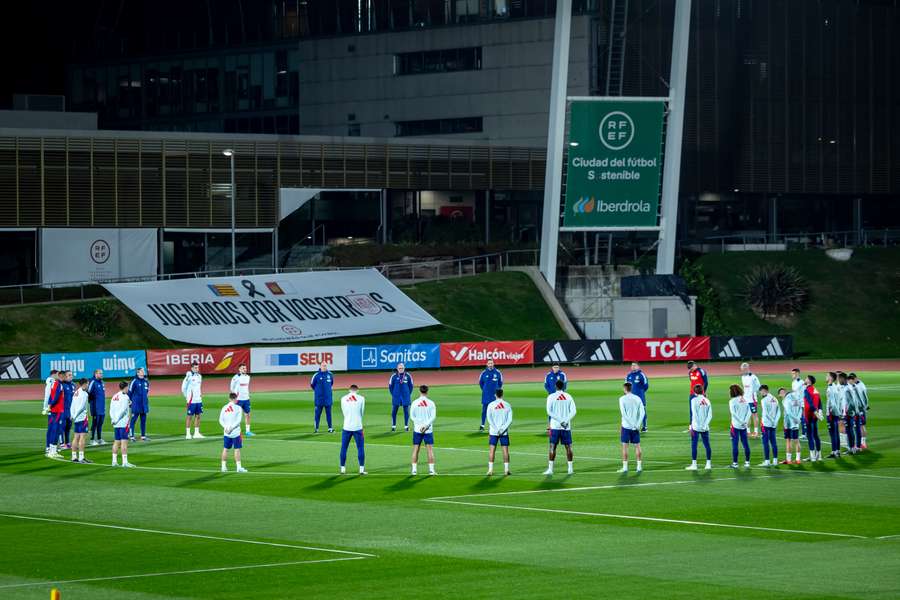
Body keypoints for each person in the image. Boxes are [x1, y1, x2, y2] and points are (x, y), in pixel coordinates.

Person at [544, 379, 576, 476]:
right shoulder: (568, 396)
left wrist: (560, 420)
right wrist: (565, 421)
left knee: (552, 446)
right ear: (564, 386)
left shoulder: (551, 397)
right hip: (566, 426)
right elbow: (574, 411)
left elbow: (549, 412)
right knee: (568, 447)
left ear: (555, 386)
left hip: (555, 426)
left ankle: (550, 469)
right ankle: (570, 469)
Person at [618, 382, 645, 474]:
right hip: (636, 427)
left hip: (626, 426)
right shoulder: (637, 398)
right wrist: (637, 424)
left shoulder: (622, 399)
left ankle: (625, 468)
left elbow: (623, 414)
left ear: (625, 389)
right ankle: (639, 467)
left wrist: (631, 424)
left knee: (625, 447)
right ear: (631, 388)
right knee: (637, 446)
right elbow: (642, 413)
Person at [339, 385, 366, 475]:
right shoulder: (361, 398)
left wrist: (348, 419)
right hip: (358, 426)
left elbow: (343, 412)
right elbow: (362, 412)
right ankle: (361, 469)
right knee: (360, 448)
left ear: (349, 390)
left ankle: (342, 468)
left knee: (344, 447)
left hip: (346, 426)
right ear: (357, 390)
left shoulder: (343, 398)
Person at [410, 385, 436, 476]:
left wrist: (419, 425)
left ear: (420, 391)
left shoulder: (414, 402)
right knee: (429, 450)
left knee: (416, 449)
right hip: (428, 430)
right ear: (427, 392)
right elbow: (433, 417)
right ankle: (431, 470)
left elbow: (412, 416)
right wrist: (425, 426)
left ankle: (414, 470)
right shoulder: (431, 403)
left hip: (417, 429)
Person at [486, 389, 512, 476]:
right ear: (502, 394)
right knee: (505, 451)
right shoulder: (507, 405)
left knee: (492, 450)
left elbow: (489, 419)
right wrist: (502, 429)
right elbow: (510, 420)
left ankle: (490, 470)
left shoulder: (491, 405)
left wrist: (496, 429)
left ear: (495, 395)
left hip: (493, 432)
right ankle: (506, 470)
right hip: (504, 432)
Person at [685, 384, 712, 471]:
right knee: (707, 445)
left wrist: (694, 425)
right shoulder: (707, 400)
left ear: (695, 392)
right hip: (705, 427)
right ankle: (708, 464)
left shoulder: (694, 400)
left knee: (694, 445)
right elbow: (710, 415)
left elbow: (694, 414)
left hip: (696, 427)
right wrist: (705, 424)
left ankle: (694, 465)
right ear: (702, 391)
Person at [219, 392, 247, 473]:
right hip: (235, 432)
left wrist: (226, 427)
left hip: (226, 432)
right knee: (237, 449)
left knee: (225, 449)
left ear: (229, 399)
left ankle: (223, 467)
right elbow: (238, 421)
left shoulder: (224, 407)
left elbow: (220, 420)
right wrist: (231, 428)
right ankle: (239, 468)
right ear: (235, 399)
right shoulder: (238, 408)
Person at [109, 381, 134, 468]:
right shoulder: (125, 397)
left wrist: (113, 419)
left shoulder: (114, 396)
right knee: (124, 442)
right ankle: (124, 462)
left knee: (116, 441)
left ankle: (114, 461)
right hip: (123, 423)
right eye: (128, 387)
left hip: (116, 423)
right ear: (126, 387)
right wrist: (117, 419)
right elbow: (123, 411)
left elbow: (111, 409)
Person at [728, 383, 751, 469]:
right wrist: (745, 421)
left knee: (735, 444)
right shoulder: (745, 400)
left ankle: (735, 463)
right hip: (744, 425)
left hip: (736, 425)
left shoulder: (732, 401)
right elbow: (749, 412)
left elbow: (733, 413)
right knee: (745, 444)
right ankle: (747, 462)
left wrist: (740, 421)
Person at [69, 378, 92, 463]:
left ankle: (74, 456)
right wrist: (75, 415)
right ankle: (81, 457)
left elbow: (72, 405)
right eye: (88, 384)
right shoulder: (84, 394)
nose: (88, 385)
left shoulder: (76, 392)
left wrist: (72, 415)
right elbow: (81, 407)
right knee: (82, 438)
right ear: (85, 384)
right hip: (82, 418)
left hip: (76, 419)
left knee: (76, 437)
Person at [758, 384, 781, 467]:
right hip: (773, 424)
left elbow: (766, 413)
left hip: (766, 424)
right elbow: (779, 411)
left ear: (765, 391)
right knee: (773, 442)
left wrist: (771, 421)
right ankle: (775, 460)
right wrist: (775, 421)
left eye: (761, 391)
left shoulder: (764, 400)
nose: (761, 393)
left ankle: (767, 461)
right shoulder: (774, 398)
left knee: (765, 442)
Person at [779, 387, 802, 464]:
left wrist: (795, 418)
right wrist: (798, 418)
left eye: (783, 392)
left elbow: (788, 412)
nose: (782, 393)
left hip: (789, 423)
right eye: (781, 392)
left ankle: (789, 460)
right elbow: (801, 408)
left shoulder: (785, 400)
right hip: (795, 422)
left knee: (789, 440)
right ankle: (797, 459)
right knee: (796, 440)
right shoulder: (796, 397)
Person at [478, 359, 503, 432]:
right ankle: (482, 425)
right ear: (487, 364)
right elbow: (481, 383)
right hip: (486, 395)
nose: (490, 365)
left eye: (491, 363)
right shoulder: (483, 373)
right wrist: (485, 390)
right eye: (489, 363)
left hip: (495, 396)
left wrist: (497, 392)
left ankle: (495, 426)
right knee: (484, 411)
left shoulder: (498, 373)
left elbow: (500, 383)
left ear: (493, 364)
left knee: (496, 411)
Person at [388, 362, 413, 432]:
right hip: (396, 397)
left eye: (402, 368)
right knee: (394, 412)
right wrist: (394, 394)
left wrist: (407, 394)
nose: (401, 369)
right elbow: (390, 386)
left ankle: (406, 426)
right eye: (399, 368)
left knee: (406, 412)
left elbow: (411, 386)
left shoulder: (408, 376)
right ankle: (393, 426)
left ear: (404, 368)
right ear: (397, 369)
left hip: (405, 397)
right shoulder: (393, 376)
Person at [310, 361, 335, 433]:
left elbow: (331, 384)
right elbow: (312, 385)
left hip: (328, 399)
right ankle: (316, 428)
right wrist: (318, 392)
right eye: (323, 366)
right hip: (319, 399)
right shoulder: (316, 375)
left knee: (329, 414)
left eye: (325, 365)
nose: (324, 367)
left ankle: (330, 428)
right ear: (320, 366)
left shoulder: (330, 374)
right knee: (317, 414)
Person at [843, 373, 864, 454]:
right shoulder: (854, 387)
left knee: (850, 430)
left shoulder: (848, 388)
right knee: (854, 429)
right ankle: (855, 447)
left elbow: (851, 402)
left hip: (850, 412)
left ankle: (852, 448)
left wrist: (853, 410)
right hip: (855, 411)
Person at [230, 364, 253, 436]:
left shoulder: (248, 377)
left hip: (246, 399)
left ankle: (248, 431)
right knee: (236, 415)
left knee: (247, 414)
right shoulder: (235, 377)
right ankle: (236, 431)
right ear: (239, 369)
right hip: (238, 399)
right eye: (243, 368)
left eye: (245, 368)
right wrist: (233, 398)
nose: (245, 369)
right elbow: (231, 388)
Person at [803, 375, 823, 461]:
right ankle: (819, 455)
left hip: (809, 415)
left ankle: (812, 456)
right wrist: (819, 412)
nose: (805, 379)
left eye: (806, 378)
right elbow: (820, 402)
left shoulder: (806, 390)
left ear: (809, 381)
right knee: (815, 435)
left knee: (810, 436)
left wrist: (815, 412)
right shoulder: (815, 390)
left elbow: (810, 403)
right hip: (815, 415)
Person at [182, 362, 204, 439]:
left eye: (197, 367)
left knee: (198, 416)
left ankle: (196, 433)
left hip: (198, 399)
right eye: (195, 368)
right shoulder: (188, 376)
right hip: (191, 400)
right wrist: (187, 397)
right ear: (191, 368)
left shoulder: (199, 376)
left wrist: (200, 394)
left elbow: (199, 387)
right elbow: (183, 388)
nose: (196, 369)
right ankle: (188, 434)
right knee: (189, 416)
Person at [45, 371, 64, 458]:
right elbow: (55, 397)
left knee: (53, 429)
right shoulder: (59, 384)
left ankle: (52, 450)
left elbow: (50, 396)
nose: (63, 377)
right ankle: (52, 451)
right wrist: (51, 404)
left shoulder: (54, 383)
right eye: (63, 376)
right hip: (57, 410)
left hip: (54, 410)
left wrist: (49, 405)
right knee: (56, 430)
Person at [625, 362, 649, 432]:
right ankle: (632, 426)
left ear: (638, 366)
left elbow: (646, 386)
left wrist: (640, 392)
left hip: (640, 397)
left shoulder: (641, 375)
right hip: (630, 397)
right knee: (631, 411)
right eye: (632, 365)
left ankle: (645, 426)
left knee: (642, 411)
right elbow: (626, 386)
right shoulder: (628, 375)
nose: (633, 367)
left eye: (635, 365)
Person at [128, 367, 150, 441]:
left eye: (143, 371)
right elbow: (129, 393)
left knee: (143, 420)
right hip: (136, 404)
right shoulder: (134, 381)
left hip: (144, 404)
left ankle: (143, 436)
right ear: (138, 373)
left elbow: (147, 392)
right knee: (133, 420)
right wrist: (130, 403)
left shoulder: (146, 381)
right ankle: (131, 436)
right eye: (142, 371)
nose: (143, 372)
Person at [740, 362, 762, 438]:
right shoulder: (742, 377)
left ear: (747, 368)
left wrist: (753, 392)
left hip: (752, 399)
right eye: (742, 369)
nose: (742, 370)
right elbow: (744, 388)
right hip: (745, 399)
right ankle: (748, 432)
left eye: (744, 369)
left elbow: (759, 387)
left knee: (754, 414)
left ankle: (756, 432)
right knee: (747, 416)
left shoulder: (753, 377)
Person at [686, 361, 708, 433]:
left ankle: (703, 425)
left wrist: (703, 392)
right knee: (692, 410)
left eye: (691, 368)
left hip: (700, 395)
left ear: (694, 365)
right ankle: (691, 425)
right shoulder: (690, 372)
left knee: (701, 410)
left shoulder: (701, 371)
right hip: (692, 394)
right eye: (689, 369)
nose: (690, 370)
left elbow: (706, 382)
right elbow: (692, 381)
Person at [848, 373, 869, 449]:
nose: (851, 380)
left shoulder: (861, 386)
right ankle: (858, 443)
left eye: (853, 378)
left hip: (860, 409)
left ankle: (863, 443)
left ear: (856, 378)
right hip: (856, 409)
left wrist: (865, 407)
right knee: (856, 426)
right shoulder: (854, 385)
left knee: (861, 425)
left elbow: (865, 397)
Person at [825, 372, 843, 458]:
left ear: (831, 378)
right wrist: (839, 412)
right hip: (836, 413)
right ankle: (837, 451)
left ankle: (834, 452)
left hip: (832, 414)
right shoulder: (835, 387)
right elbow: (839, 401)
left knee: (832, 433)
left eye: (827, 376)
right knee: (836, 433)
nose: (826, 377)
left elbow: (832, 403)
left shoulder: (830, 388)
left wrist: (832, 413)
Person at [88, 369, 106, 446]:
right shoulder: (93, 382)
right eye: (100, 373)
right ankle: (92, 439)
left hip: (101, 406)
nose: (101, 375)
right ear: (95, 374)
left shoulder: (102, 382)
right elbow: (88, 392)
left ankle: (99, 438)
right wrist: (92, 402)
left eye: (102, 373)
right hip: (95, 406)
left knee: (100, 423)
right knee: (95, 423)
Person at [59, 370, 75, 449]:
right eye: (69, 375)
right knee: (62, 427)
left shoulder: (73, 385)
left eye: (71, 375)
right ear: (65, 376)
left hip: (70, 410)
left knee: (68, 427)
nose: (71, 376)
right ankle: (62, 444)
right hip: (63, 410)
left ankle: (67, 442)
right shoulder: (62, 385)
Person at [790, 368, 807, 439]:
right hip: (796, 403)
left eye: (793, 373)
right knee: (797, 418)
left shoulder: (802, 382)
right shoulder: (793, 382)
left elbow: (804, 393)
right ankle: (798, 432)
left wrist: (801, 402)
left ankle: (805, 433)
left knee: (803, 418)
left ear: (797, 373)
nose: (792, 375)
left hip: (802, 402)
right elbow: (794, 392)